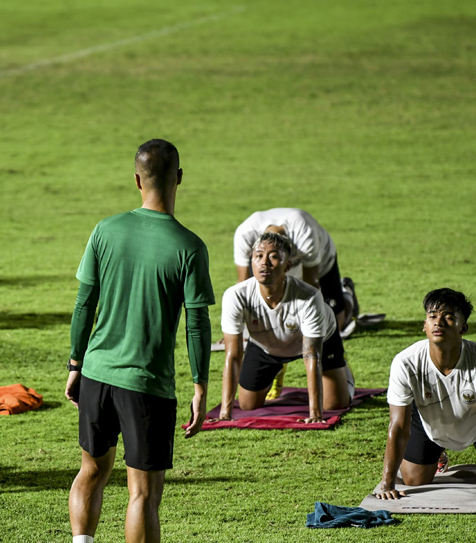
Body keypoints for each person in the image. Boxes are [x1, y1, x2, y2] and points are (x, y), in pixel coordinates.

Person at [65, 139, 214, 543]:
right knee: (143, 494)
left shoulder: (105, 230)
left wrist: (76, 364)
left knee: (91, 471)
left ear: (136, 179)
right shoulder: (189, 247)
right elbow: (196, 324)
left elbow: (84, 305)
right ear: (179, 178)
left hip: (96, 375)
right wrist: (200, 384)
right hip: (147, 387)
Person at [214, 232, 354, 424]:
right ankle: (278, 367)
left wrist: (315, 414)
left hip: (318, 341)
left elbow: (311, 356)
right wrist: (225, 413)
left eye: (274, 256)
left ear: (287, 266)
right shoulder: (235, 295)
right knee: (247, 404)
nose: (265, 262)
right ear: (251, 261)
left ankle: (347, 296)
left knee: (336, 404)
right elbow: (233, 355)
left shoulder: (309, 297)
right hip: (267, 345)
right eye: (259, 256)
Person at [376, 288, 474, 500]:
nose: (438, 322)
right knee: (414, 480)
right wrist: (387, 483)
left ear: (463, 327)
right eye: (432, 316)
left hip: (472, 420)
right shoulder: (406, 362)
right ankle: (437, 454)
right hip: (428, 420)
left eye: (448, 317)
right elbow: (398, 425)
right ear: (424, 325)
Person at [232, 208, 357, 333]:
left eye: (275, 256)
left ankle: (346, 292)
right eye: (262, 255)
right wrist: (237, 330)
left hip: (321, 262)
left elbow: (311, 286)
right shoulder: (245, 234)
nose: (268, 261)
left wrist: (305, 326)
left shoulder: (305, 232)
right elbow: (243, 284)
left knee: (336, 325)